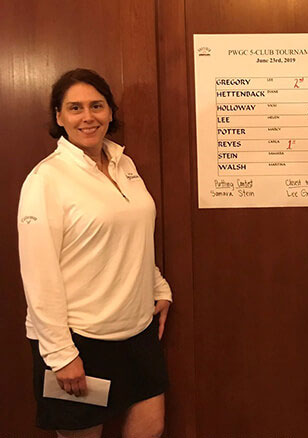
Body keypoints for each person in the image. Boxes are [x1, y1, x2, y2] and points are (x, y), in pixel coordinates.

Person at [17, 68, 173, 438]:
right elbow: (38, 274)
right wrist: (60, 354)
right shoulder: (46, 180)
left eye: (97, 106)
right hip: (79, 341)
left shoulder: (124, 164)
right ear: (59, 116)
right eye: (75, 108)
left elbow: (129, 236)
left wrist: (157, 286)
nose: (88, 117)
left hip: (137, 333)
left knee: (151, 429)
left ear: (110, 112)